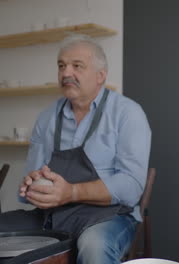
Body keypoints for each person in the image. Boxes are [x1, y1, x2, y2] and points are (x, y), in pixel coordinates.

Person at [0, 34, 151, 264]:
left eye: (77, 66)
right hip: (50, 216)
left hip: (108, 216)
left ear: (101, 75)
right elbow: (30, 182)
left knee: (94, 246)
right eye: (61, 66)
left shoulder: (128, 114)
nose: (66, 73)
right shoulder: (47, 117)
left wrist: (71, 192)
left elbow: (131, 187)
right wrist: (31, 186)